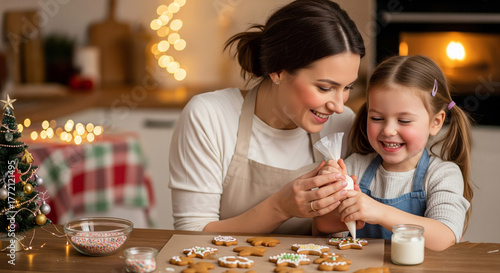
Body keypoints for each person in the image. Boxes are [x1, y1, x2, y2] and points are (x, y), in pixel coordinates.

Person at [168, 0, 365, 235]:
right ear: (278, 71)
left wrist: (338, 218)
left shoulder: (342, 125)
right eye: (324, 88)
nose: (339, 106)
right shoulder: (210, 117)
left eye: (347, 87)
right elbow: (191, 233)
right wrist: (281, 207)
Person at [314, 55, 473, 251]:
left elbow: (444, 238)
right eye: (377, 118)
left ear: (436, 122)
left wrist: (379, 212)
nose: (388, 130)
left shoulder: (442, 175)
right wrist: (332, 196)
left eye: (404, 121)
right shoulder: (354, 166)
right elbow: (321, 229)